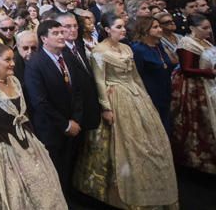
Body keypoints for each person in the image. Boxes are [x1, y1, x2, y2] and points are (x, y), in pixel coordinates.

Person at [73, 12, 178, 208]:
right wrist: (106, 107)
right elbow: (99, 80)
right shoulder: (99, 51)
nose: (123, 30)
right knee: (121, 143)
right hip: (115, 96)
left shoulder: (127, 48)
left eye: (123, 27)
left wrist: (145, 97)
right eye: (118, 27)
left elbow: (136, 76)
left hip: (135, 95)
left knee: (149, 141)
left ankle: (150, 183)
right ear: (107, 29)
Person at [0, 43, 66, 209]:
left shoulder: (14, 81)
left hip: (26, 143)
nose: (13, 63)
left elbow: (25, 116)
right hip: (0, 150)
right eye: (7, 60)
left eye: (13, 59)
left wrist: (35, 142)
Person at [23, 20, 83, 195]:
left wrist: (76, 119)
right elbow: (39, 101)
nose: (61, 36)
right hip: (51, 129)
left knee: (68, 173)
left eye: (61, 32)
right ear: (44, 39)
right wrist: (65, 124)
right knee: (54, 175)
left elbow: (78, 90)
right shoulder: (36, 64)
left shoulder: (68, 57)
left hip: (73, 125)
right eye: (55, 33)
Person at [170, 11, 216, 174]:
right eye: (204, 28)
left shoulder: (205, 41)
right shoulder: (187, 43)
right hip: (195, 86)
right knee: (200, 120)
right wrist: (210, 73)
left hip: (209, 84)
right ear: (192, 28)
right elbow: (187, 69)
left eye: (209, 27)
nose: (208, 31)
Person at [131, 15, 174, 133]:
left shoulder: (158, 45)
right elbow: (136, 75)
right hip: (150, 94)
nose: (160, 29)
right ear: (145, 30)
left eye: (159, 26)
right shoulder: (138, 49)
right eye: (155, 27)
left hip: (165, 91)